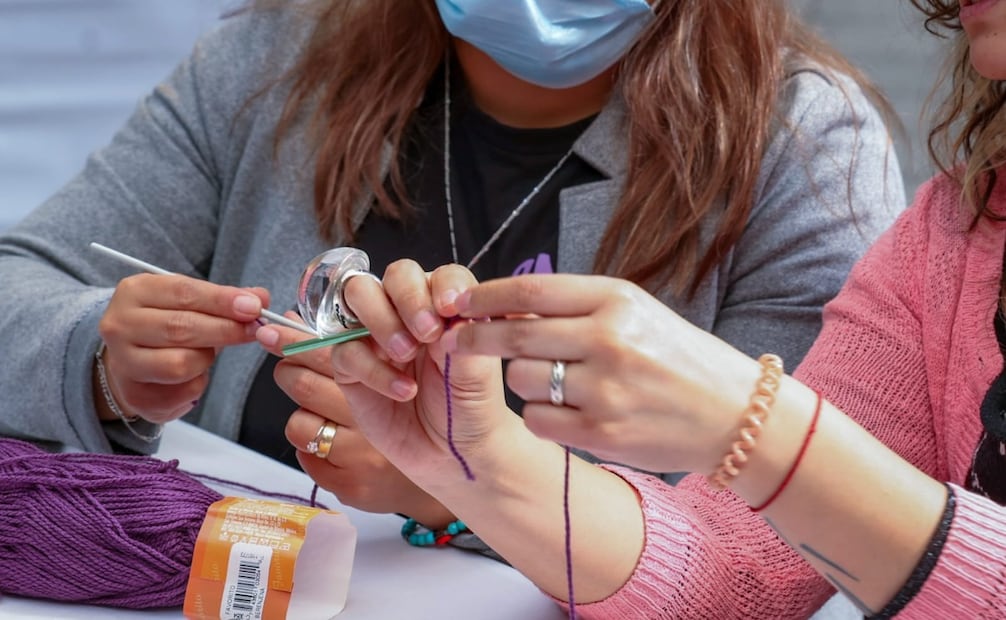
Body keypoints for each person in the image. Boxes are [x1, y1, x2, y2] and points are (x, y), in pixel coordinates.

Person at [0, 0, 899, 543]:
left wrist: (467, 493)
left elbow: (793, 529)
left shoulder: (805, 146)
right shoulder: (272, 62)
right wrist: (103, 363)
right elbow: (20, 281)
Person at [324, 0, 1006, 617]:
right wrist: (475, 458)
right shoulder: (953, 232)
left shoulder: (809, 135)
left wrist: (757, 427)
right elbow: (738, 577)